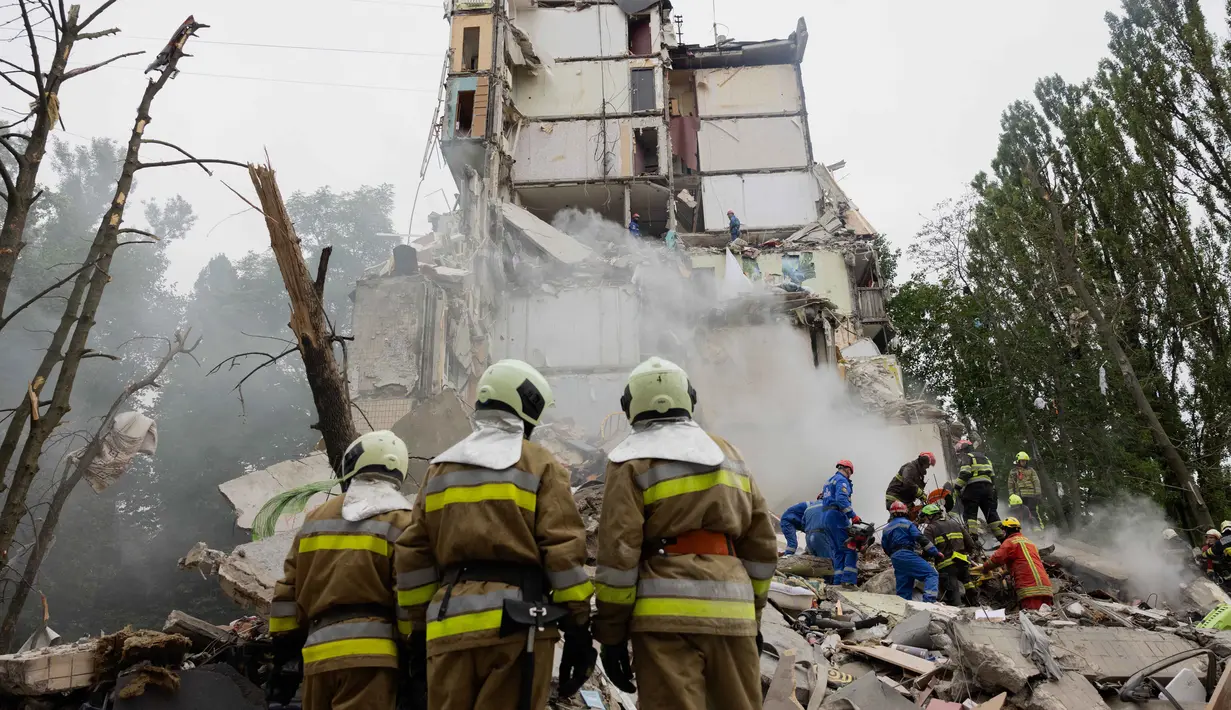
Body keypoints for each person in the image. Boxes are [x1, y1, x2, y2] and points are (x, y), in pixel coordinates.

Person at [395, 360, 595, 710]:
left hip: (448, 628)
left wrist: (419, 630)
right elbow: (562, 551)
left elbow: (412, 555)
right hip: (518, 628)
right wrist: (579, 627)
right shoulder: (540, 463)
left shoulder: (439, 469)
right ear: (528, 406)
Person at [594, 357, 777, 710]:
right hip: (733, 612)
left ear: (629, 407)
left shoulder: (629, 461)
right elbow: (762, 547)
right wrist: (752, 616)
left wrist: (612, 635)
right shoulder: (730, 455)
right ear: (689, 398)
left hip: (664, 619)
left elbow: (618, 556)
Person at [269, 430, 414, 710]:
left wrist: (284, 656)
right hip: (372, 658)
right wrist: (411, 647)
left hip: (316, 657)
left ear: (351, 465)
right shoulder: (403, 520)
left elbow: (287, 591)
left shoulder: (315, 519)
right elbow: (409, 594)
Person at [981, 517, 1053, 610]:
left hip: (1029, 588)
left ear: (1007, 530)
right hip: (1046, 586)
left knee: (1032, 616)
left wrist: (984, 568)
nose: (1002, 533)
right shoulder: (1030, 543)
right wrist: (1005, 572)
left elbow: (996, 559)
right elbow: (1025, 562)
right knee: (1046, 616)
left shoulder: (1009, 542)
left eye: (1003, 530)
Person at [880, 501, 941, 602]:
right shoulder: (908, 524)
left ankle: (902, 609)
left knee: (904, 586)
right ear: (905, 512)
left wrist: (894, 556)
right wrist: (935, 552)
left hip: (896, 557)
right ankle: (929, 601)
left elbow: (885, 547)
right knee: (931, 574)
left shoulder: (886, 529)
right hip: (907, 553)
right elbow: (920, 538)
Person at [919, 504, 975, 606]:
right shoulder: (955, 524)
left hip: (946, 566)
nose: (925, 521)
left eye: (925, 517)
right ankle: (976, 607)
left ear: (930, 516)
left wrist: (922, 559)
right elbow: (971, 544)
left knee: (953, 594)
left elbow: (928, 549)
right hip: (963, 562)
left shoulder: (930, 529)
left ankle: (959, 615)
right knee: (969, 585)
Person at [817, 460, 861, 585]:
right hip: (837, 517)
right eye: (850, 473)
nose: (850, 475)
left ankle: (837, 583)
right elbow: (841, 499)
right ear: (848, 470)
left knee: (837, 552)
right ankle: (848, 583)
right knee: (849, 549)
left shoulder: (828, 481)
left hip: (826, 517)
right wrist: (853, 516)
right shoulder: (842, 480)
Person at [954, 440, 1000, 538]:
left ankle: (973, 539)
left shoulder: (968, 457)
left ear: (964, 450)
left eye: (960, 452)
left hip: (973, 489)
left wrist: (957, 488)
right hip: (988, 489)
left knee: (970, 514)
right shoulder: (985, 458)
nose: (960, 455)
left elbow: (965, 473)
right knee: (991, 514)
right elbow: (992, 476)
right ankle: (1002, 537)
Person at [1008, 452, 1042, 528]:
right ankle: (1021, 529)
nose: (1024, 462)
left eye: (1025, 461)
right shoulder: (1013, 471)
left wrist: (1038, 494)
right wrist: (1012, 496)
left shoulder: (1031, 470)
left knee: (1032, 511)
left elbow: (1036, 482)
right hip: (1018, 497)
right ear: (1018, 461)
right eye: (1022, 461)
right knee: (1019, 513)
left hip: (1031, 495)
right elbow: (1010, 485)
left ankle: (1037, 528)